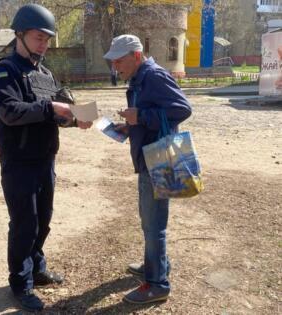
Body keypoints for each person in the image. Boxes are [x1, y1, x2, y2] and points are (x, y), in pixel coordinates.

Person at [0, 4, 92, 312]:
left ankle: (37, 269)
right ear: (20, 35)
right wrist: (51, 109)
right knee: (24, 224)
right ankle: (21, 284)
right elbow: (10, 112)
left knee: (43, 221)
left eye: (47, 39)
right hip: (19, 163)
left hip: (45, 160)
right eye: (38, 38)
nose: (43, 44)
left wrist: (77, 118)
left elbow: (60, 112)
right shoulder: (6, 70)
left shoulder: (45, 74)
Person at [103, 34, 192, 304]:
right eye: (113, 61)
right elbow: (154, 111)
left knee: (154, 226)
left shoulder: (153, 76)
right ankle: (155, 265)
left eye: (119, 60)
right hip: (148, 157)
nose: (115, 66)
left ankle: (157, 284)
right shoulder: (139, 78)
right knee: (149, 221)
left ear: (137, 56)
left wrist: (140, 116)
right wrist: (130, 127)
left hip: (159, 159)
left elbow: (183, 109)